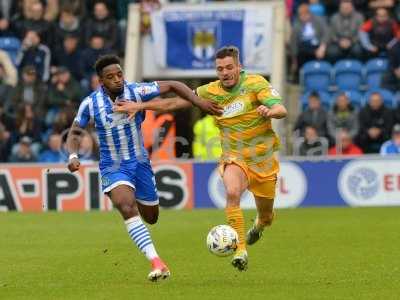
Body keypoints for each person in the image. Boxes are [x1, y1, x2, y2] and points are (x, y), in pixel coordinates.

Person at [114, 46, 287, 272]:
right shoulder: (210, 91)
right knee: (233, 192)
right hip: (234, 157)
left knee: (266, 216)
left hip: (263, 160)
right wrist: (140, 105)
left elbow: (281, 109)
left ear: (239, 67)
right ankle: (240, 250)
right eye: (219, 69)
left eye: (229, 67)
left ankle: (260, 224)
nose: (225, 72)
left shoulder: (256, 84)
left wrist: (269, 111)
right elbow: (174, 103)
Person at [66, 54, 221, 281]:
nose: (117, 80)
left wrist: (198, 102)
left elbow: (173, 85)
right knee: (125, 206)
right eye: (111, 77)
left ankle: (132, 194)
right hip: (112, 166)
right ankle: (157, 262)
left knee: (151, 216)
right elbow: (75, 130)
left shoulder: (137, 91)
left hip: (140, 164)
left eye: (119, 74)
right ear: (102, 82)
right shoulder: (90, 103)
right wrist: (72, 154)